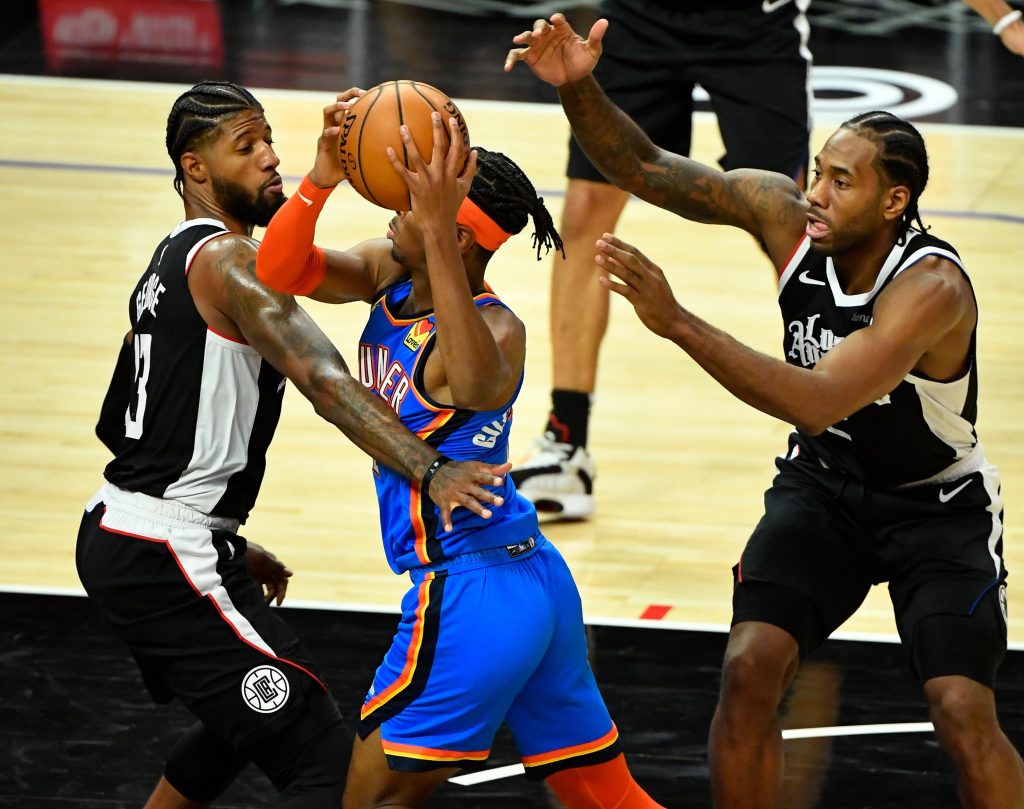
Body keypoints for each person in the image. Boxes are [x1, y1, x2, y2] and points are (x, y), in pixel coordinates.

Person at [506, 14, 1024, 808]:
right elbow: (644, 165)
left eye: (840, 181)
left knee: (960, 706)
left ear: (896, 201)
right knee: (749, 665)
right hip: (824, 489)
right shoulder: (785, 216)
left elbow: (816, 399)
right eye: (817, 171)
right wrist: (578, 86)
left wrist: (676, 321)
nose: (814, 193)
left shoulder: (932, 289)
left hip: (936, 508)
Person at [75, 80, 510, 809]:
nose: (270, 158)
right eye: (247, 149)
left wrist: (215, 534)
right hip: (159, 548)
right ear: (196, 169)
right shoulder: (231, 265)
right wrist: (430, 467)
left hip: (130, 529)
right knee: (325, 764)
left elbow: (138, 421)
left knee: (239, 720)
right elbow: (327, 380)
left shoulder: (167, 263)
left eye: (269, 140)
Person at [255, 93, 665, 809]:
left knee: (372, 798)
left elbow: (472, 384)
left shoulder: (496, 329)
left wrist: (437, 229)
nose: (391, 206)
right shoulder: (391, 271)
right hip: (529, 579)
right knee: (603, 795)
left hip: (470, 589)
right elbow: (280, 269)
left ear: (456, 234)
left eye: (413, 202)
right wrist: (321, 177)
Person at [509, 0, 813, 520]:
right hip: (640, 17)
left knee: (784, 219)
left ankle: (840, 411)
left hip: (753, 25)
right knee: (584, 212)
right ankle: (567, 446)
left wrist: (1006, 19)